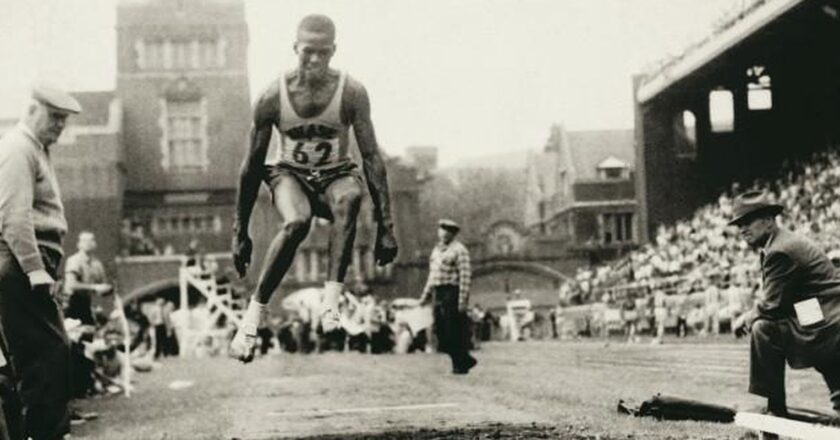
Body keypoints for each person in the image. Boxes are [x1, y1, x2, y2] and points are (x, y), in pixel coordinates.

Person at [229, 14, 398, 362]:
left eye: (323, 53)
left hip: (336, 173)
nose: (315, 60)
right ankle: (251, 319)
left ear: (333, 51)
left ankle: (330, 304)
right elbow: (251, 166)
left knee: (350, 197)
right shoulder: (272, 96)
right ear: (296, 49)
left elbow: (372, 158)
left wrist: (386, 226)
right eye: (308, 52)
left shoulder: (351, 92)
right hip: (289, 174)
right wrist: (240, 231)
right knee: (297, 222)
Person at [0, 83, 82, 440]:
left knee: (40, 359)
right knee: (48, 356)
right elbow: (14, 215)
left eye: (64, 119)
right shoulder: (19, 148)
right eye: (54, 117)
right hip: (19, 264)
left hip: (26, 265)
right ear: (32, 109)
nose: (60, 125)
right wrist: (34, 268)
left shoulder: (34, 149)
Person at [730, 191, 840, 438]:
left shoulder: (780, 249)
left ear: (769, 221)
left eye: (748, 221)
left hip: (825, 318)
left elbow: (770, 305)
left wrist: (745, 318)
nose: (742, 229)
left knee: (763, 329)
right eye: (739, 224)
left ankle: (774, 415)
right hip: (822, 313)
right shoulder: (779, 243)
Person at [419, 219, 477, 375]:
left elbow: (465, 276)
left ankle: (459, 365)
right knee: (440, 331)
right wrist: (425, 296)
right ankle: (465, 360)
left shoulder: (460, 250)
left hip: (452, 292)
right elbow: (432, 276)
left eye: (447, 232)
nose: (443, 234)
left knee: (452, 330)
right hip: (438, 292)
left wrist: (462, 300)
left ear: (453, 234)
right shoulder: (436, 251)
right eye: (441, 230)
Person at [64, 231, 112, 326]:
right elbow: (71, 284)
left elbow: (102, 284)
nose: (89, 243)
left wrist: (106, 289)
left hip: (90, 304)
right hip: (73, 304)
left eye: (91, 240)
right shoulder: (74, 261)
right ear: (79, 244)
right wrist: (94, 287)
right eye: (85, 241)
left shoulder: (97, 264)